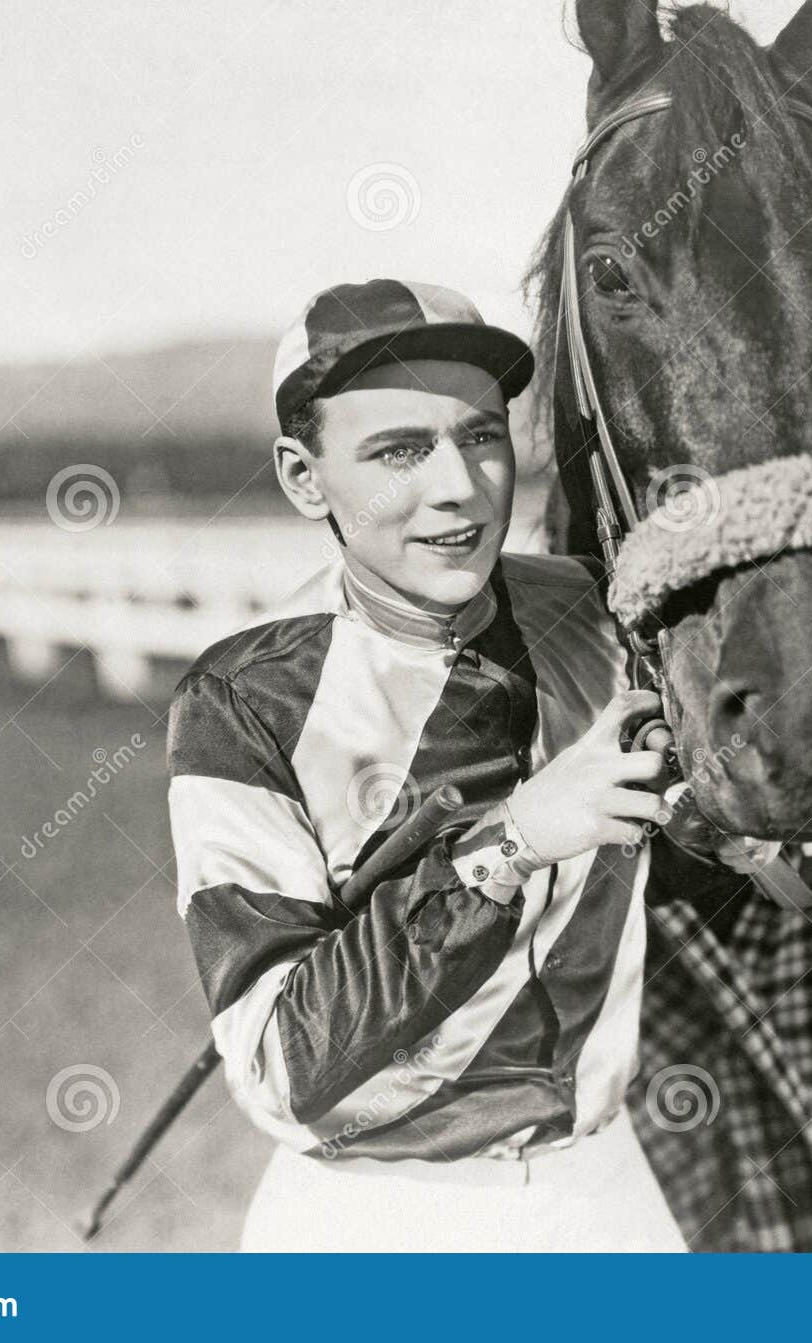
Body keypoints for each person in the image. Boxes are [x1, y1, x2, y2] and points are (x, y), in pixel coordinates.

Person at [165, 278, 740, 1252]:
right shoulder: (244, 700)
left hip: (608, 1191)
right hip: (376, 1216)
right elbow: (282, 1063)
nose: (459, 487)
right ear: (305, 477)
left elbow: (723, 858)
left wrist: (737, 821)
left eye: (480, 436)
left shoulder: (606, 614)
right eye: (398, 450)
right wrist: (509, 841)